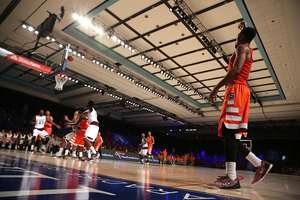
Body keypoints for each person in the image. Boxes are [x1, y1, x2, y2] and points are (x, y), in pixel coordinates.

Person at [207, 21, 272, 189]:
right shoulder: (246, 48)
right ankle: (259, 164)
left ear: (242, 37)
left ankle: (232, 178)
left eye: (238, 36)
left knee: (228, 133)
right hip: (239, 92)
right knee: (232, 137)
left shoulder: (242, 48)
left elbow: (235, 70)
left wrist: (216, 88)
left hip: (236, 90)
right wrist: (244, 26)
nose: (235, 39)